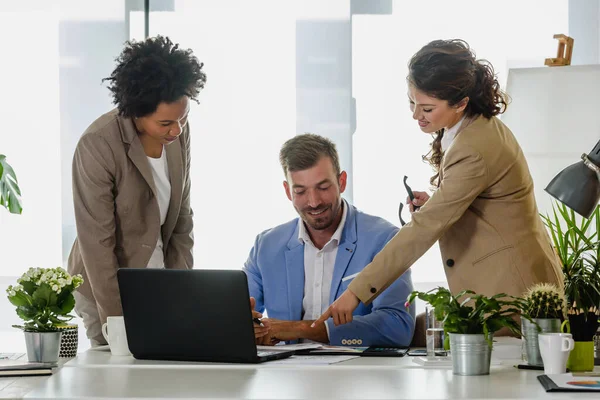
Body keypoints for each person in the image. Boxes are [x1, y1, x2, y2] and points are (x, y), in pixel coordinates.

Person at [313, 39, 563, 328]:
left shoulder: (475, 147)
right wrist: (437, 203)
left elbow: (424, 230)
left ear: (460, 103)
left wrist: (357, 292)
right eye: (412, 102)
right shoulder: (467, 127)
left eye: (427, 109)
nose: (416, 115)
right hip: (502, 283)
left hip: (512, 289)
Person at [67, 36, 206, 346]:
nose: (177, 130)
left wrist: (182, 294)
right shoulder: (98, 145)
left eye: (183, 118)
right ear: (135, 111)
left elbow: (182, 218)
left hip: (160, 282)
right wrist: (117, 323)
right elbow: (97, 244)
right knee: (118, 377)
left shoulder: (178, 134)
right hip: (105, 286)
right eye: (166, 122)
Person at [244, 133, 415, 346]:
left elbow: (398, 327)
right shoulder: (266, 246)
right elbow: (238, 318)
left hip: (358, 373)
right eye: (300, 191)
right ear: (288, 191)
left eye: (323, 188)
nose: (314, 202)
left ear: (342, 182)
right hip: (283, 374)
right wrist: (246, 327)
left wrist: (300, 328)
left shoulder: (384, 239)